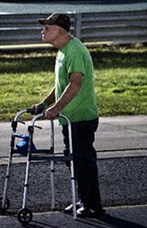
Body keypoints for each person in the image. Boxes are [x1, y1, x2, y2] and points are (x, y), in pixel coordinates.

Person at [31, 13, 105, 218]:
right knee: (73, 160)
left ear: (60, 31)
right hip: (70, 118)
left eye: (47, 27)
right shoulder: (63, 51)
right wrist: (44, 104)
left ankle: (93, 205)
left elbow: (75, 84)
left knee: (83, 161)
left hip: (81, 117)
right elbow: (60, 85)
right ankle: (82, 200)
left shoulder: (74, 50)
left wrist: (56, 108)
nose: (43, 31)